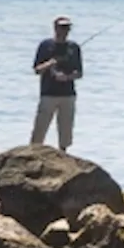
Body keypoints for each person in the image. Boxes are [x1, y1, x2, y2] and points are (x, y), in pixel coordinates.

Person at [30, 15, 84, 152]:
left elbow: (79, 73)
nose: (64, 31)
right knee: (40, 128)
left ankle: (63, 153)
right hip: (48, 93)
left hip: (68, 95)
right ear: (55, 28)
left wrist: (67, 77)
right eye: (62, 27)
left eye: (67, 28)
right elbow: (37, 69)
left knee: (65, 129)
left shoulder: (74, 48)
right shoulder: (45, 45)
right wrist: (50, 63)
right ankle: (33, 152)